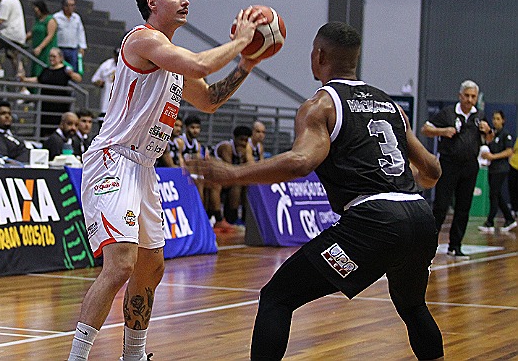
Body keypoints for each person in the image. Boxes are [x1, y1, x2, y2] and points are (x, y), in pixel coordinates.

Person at [187, 21, 444, 361]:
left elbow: (299, 163)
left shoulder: (322, 105)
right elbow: (432, 171)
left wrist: (233, 173)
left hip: (374, 221)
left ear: (319, 55)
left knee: (277, 297)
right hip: (420, 216)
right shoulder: (389, 105)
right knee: (412, 306)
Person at [67, 0, 268, 361]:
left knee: (151, 268)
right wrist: (243, 41)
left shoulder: (173, 62)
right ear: (151, 3)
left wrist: (246, 65)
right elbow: (200, 66)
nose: (185, 0)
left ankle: (134, 355)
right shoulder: (143, 40)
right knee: (121, 264)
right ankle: (77, 357)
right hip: (113, 159)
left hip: (144, 169)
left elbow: (209, 99)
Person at [422, 80, 491, 258]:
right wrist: (443, 131)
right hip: (449, 164)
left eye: (473, 96)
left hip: (469, 166)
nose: (469, 100)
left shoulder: (480, 115)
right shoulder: (448, 113)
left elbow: (488, 139)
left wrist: (488, 131)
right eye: (466, 95)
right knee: (441, 206)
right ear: (460, 96)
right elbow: (425, 129)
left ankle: (456, 245)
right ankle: (428, 245)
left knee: (463, 207)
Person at [20, 47, 81, 138]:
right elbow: (38, 79)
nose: (51, 59)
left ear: (60, 58)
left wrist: (71, 74)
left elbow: (78, 78)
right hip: (45, 106)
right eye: (50, 56)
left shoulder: (65, 70)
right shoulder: (46, 70)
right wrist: (24, 80)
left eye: (54, 56)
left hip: (59, 106)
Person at [182, 114, 227, 230]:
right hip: (181, 174)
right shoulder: (180, 141)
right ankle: (199, 217)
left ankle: (216, 217)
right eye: (192, 127)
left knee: (214, 184)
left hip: (193, 174)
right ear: (186, 128)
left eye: (197, 128)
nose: (195, 130)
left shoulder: (198, 145)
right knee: (199, 182)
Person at [478, 110, 515, 233]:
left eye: (498, 119)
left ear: (503, 120)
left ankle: (489, 222)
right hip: (492, 168)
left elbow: (509, 151)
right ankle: (509, 218)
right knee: (496, 194)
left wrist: (493, 157)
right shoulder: (492, 134)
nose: (495, 121)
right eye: (494, 118)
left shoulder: (505, 134)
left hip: (501, 168)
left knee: (493, 194)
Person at [215, 125, 253, 225]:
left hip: (228, 178)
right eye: (241, 140)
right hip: (214, 177)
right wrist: (241, 158)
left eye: (246, 140)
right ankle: (232, 218)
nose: (243, 143)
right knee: (237, 184)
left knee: (248, 184)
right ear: (235, 138)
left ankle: (245, 218)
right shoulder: (227, 147)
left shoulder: (246, 149)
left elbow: (251, 167)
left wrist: (247, 155)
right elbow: (230, 169)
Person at [53, 0, 87, 72]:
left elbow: (80, 32)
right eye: (69, 5)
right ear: (64, 6)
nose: (71, 7)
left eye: (73, 5)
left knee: (73, 69)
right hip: (60, 47)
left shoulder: (77, 17)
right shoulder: (56, 17)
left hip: (73, 49)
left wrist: (82, 47)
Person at [25, 0, 56, 77]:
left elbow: (50, 35)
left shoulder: (50, 20)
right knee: (35, 70)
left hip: (46, 50)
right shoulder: (37, 20)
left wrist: (40, 47)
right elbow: (33, 32)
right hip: (36, 49)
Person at [91, 48, 118, 120]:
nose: (118, 58)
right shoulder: (107, 65)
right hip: (106, 100)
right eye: (116, 56)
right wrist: (100, 82)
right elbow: (94, 79)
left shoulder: (127, 66)